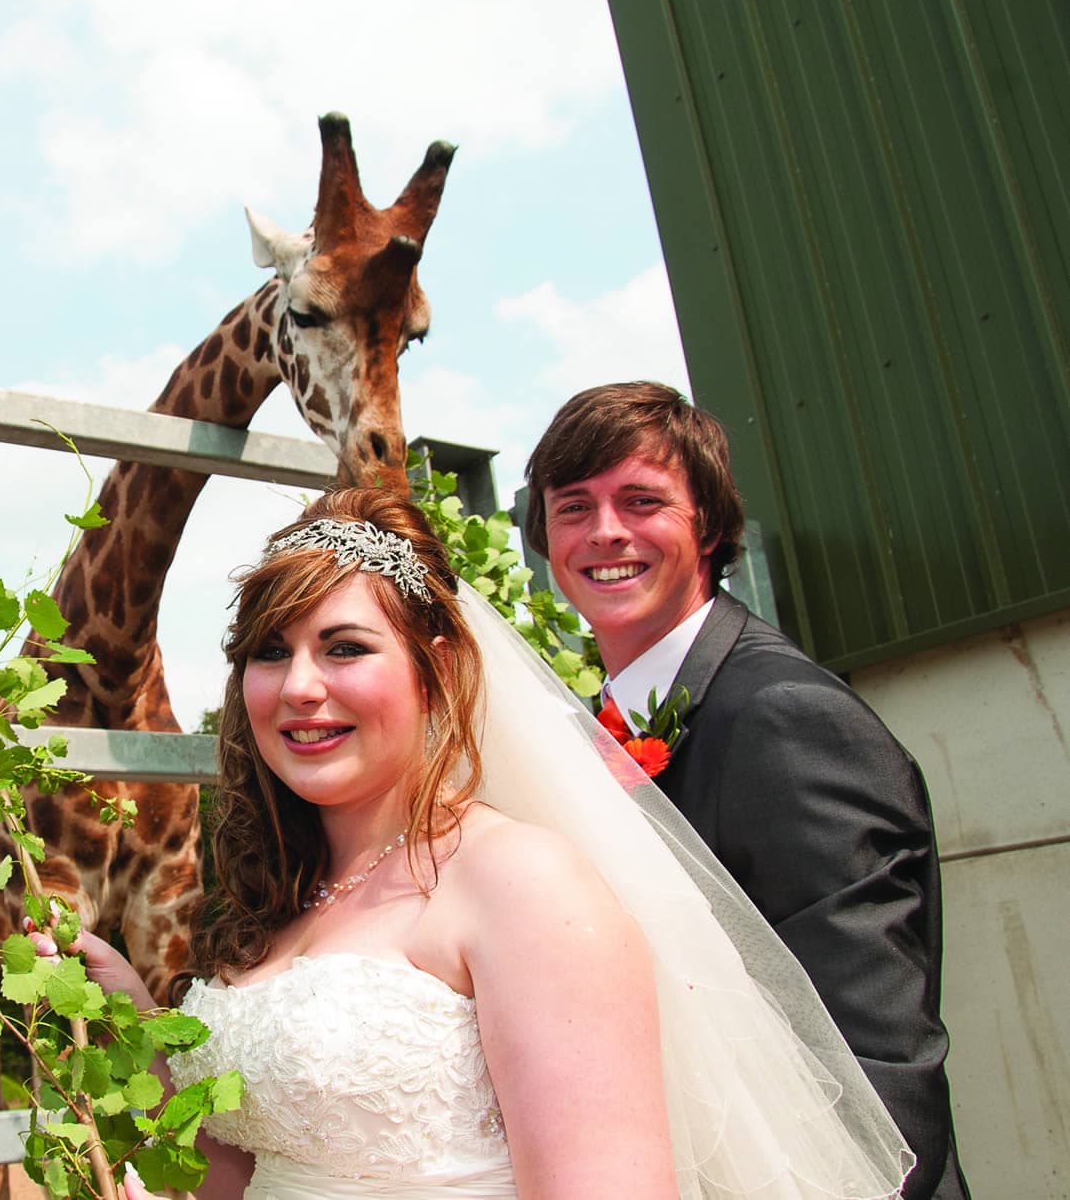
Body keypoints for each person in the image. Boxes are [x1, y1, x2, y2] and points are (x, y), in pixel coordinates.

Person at [55, 486, 912, 1199]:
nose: (300, 687)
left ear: (438, 668)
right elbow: (254, 1174)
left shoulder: (521, 882)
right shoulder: (286, 896)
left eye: (345, 647)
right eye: (271, 652)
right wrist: (129, 1017)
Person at [525, 382, 967, 1199]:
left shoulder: (785, 717)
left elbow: (880, 1069)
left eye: (642, 500)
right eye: (574, 506)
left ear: (713, 526)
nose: (606, 531)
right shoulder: (589, 730)